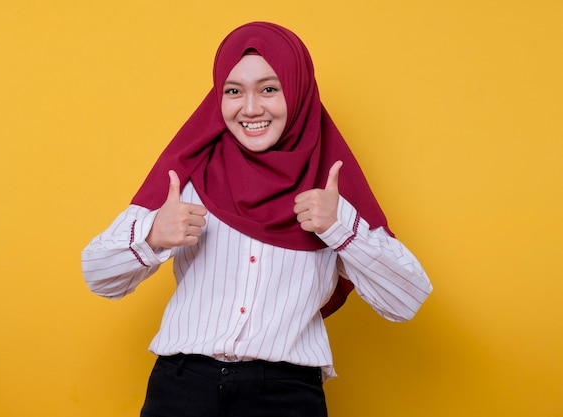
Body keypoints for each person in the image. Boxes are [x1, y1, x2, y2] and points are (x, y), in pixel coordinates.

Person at [82, 21, 432, 417]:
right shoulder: (190, 176)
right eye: (233, 91)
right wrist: (152, 238)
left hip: (286, 396)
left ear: (298, 90)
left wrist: (341, 229)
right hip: (181, 389)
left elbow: (406, 301)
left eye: (270, 89)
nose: (250, 108)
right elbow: (99, 277)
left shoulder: (331, 192)